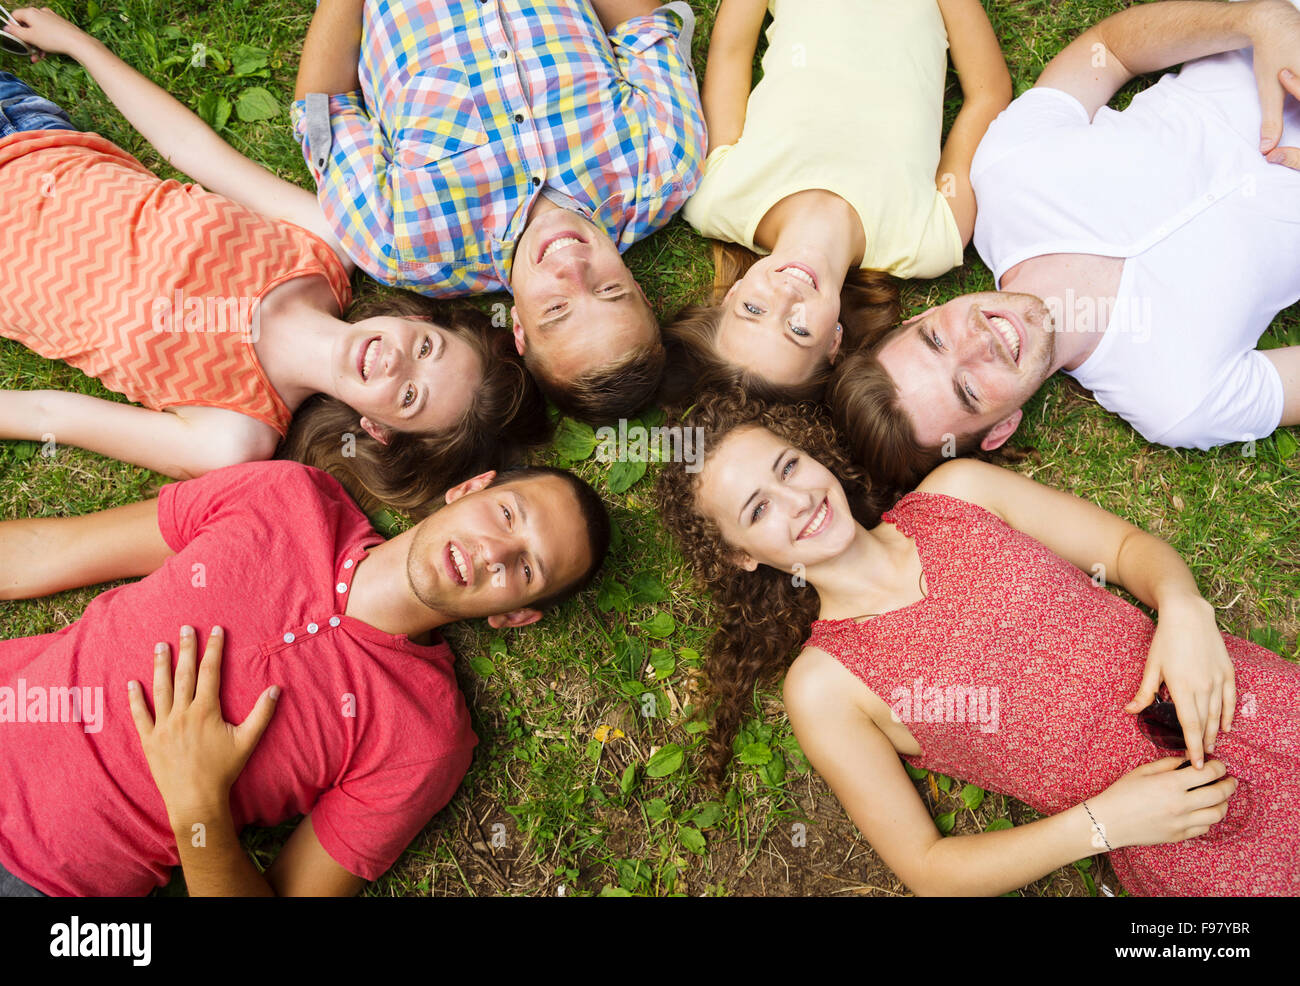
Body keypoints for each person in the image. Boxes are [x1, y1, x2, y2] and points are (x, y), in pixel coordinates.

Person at [654, 391, 1300, 896]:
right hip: (1190, 830)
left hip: (1250, 700)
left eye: (788, 466)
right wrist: (1104, 825)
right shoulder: (825, 686)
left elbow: (1128, 552)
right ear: (740, 555)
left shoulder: (959, 493)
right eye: (758, 509)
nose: (797, 500)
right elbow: (929, 869)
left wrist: (1184, 608)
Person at [0, 9, 546, 511]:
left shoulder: (233, 436)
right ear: (418, 319)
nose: (398, 361)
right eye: (427, 348)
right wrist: (78, 42)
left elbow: (52, 415)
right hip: (29, 135)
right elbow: (191, 149)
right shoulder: (327, 242)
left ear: (378, 429)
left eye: (409, 396)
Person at [0, 457, 611, 896]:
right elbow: (47, 552)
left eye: (527, 568)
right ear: (468, 487)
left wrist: (197, 803)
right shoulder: (286, 493)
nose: (496, 551)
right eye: (507, 514)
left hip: (40, 880)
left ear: (513, 615)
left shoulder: (423, 742)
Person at [833, 0, 1300, 489]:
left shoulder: (1004, 172)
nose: (979, 342)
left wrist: (1253, 21)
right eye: (967, 390)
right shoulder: (1178, 401)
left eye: (936, 341)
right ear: (999, 429)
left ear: (919, 318)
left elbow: (1111, 51)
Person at [293, 0, 707, 422]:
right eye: (609, 291)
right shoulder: (665, 165)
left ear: (520, 331)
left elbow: (323, 109)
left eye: (557, 309)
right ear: (638, 290)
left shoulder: (406, 246)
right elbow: (643, 28)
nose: (573, 268)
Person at [662, 0, 1010, 403]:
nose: (787, 297)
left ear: (733, 293)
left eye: (754, 311)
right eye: (798, 330)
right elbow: (988, 94)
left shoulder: (715, 197)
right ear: (834, 341)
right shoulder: (927, 241)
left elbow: (731, 51)